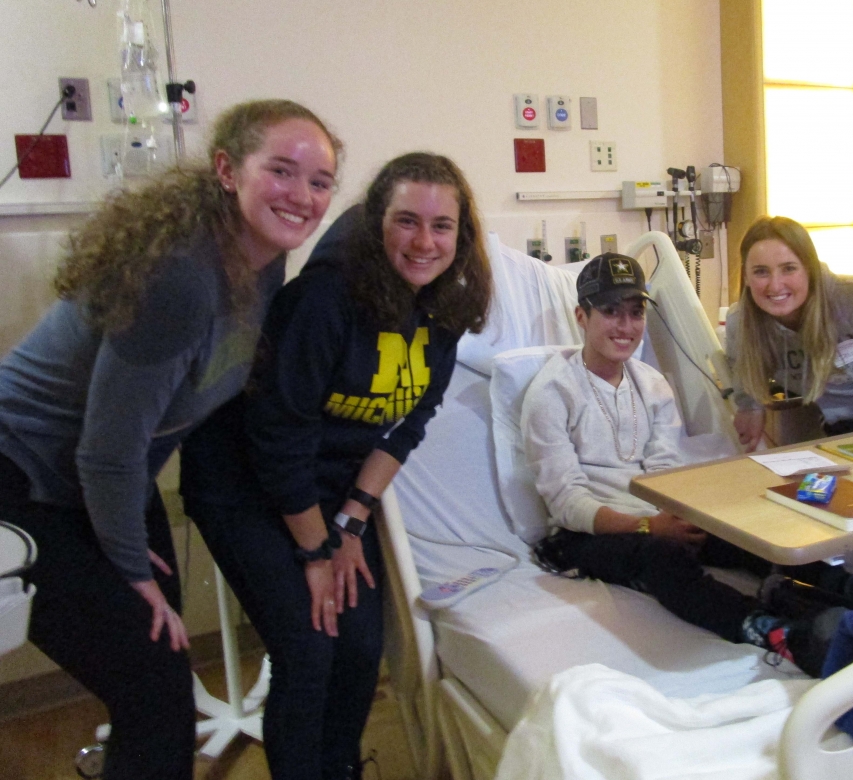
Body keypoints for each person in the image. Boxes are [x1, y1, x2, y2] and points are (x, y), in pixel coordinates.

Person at [0, 99, 340, 780]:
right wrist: (130, 570)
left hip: (104, 479)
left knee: (161, 684)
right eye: (280, 170)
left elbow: (210, 389)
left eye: (320, 181)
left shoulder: (266, 260)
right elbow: (107, 452)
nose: (302, 196)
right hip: (24, 477)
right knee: (155, 691)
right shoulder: (181, 278)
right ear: (227, 170)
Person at [180, 152, 491, 780]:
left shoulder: (443, 311)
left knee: (360, 649)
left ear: (462, 237)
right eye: (406, 221)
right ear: (377, 222)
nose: (424, 242)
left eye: (442, 226)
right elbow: (279, 437)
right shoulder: (325, 301)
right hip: (245, 485)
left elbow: (409, 425)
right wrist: (316, 551)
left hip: (328, 491)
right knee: (308, 647)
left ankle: (340, 768)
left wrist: (351, 522)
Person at [525, 252, 848, 677]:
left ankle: (852, 592)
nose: (626, 326)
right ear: (581, 317)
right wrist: (649, 527)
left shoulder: (652, 384)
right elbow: (566, 500)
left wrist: (681, 517)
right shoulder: (553, 392)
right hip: (587, 533)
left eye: (635, 312)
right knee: (663, 558)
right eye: (611, 312)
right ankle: (776, 631)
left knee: (745, 530)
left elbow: (666, 471)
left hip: (657, 517)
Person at [726, 216, 853, 450]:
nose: (775, 285)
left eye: (789, 269)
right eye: (761, 272)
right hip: (834, 435)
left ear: (809, 269)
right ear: (746, 277)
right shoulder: (740, 322)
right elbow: (745, 374)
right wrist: (750, 406)